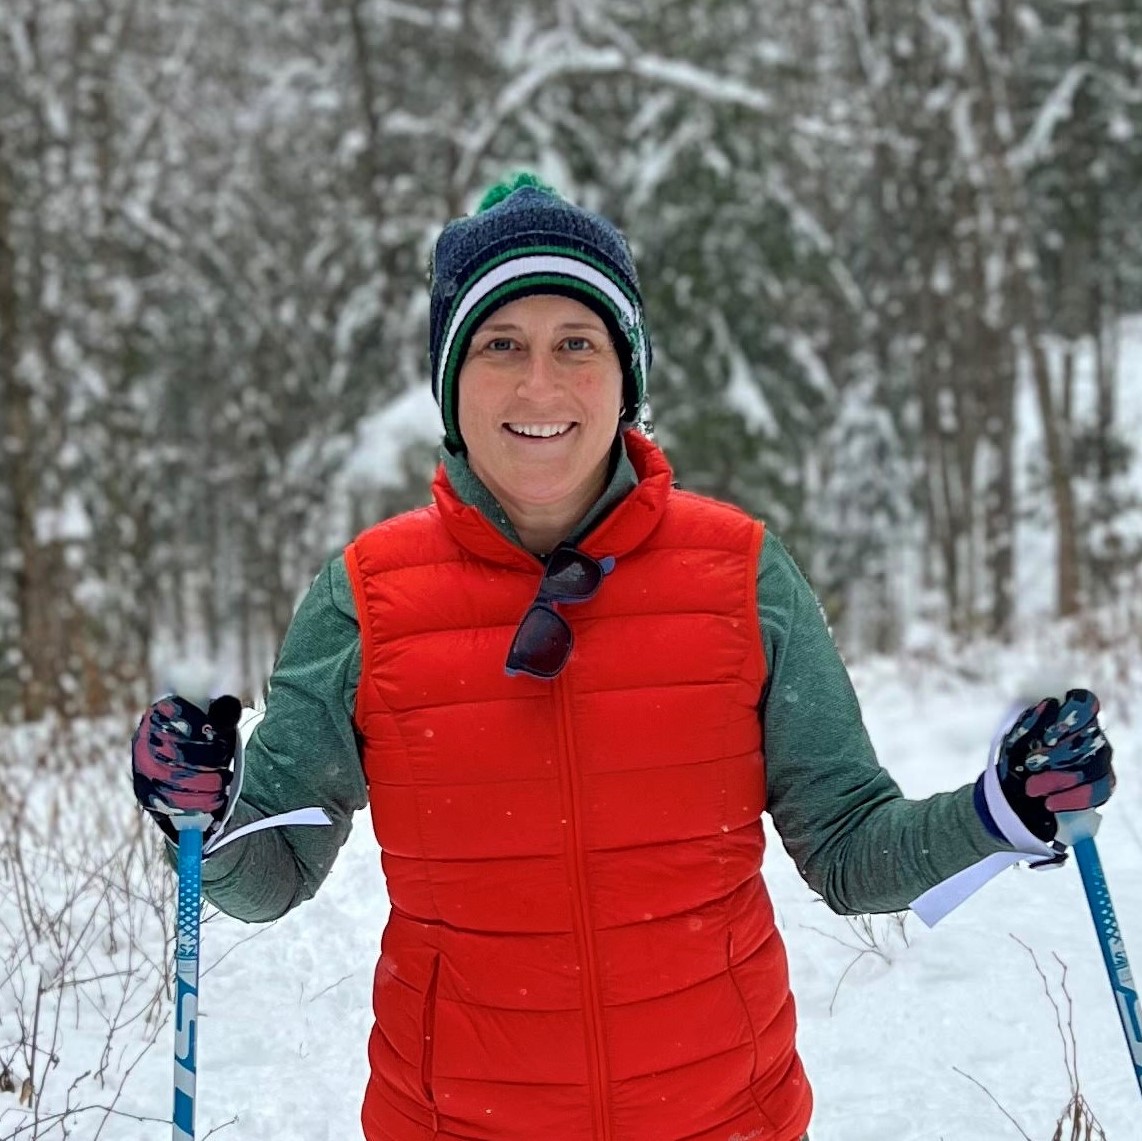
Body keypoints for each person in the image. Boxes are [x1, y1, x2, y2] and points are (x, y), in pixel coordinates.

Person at [131, 173, 1116, 1141]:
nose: (539, 384)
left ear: (626, 375)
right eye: (500, 344)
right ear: (450, 380)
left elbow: (852, 849)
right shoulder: (365, 598)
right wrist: (200, 812)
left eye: (577, 343)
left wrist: (1001, 810)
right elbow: (270, 870)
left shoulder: (740, 574)